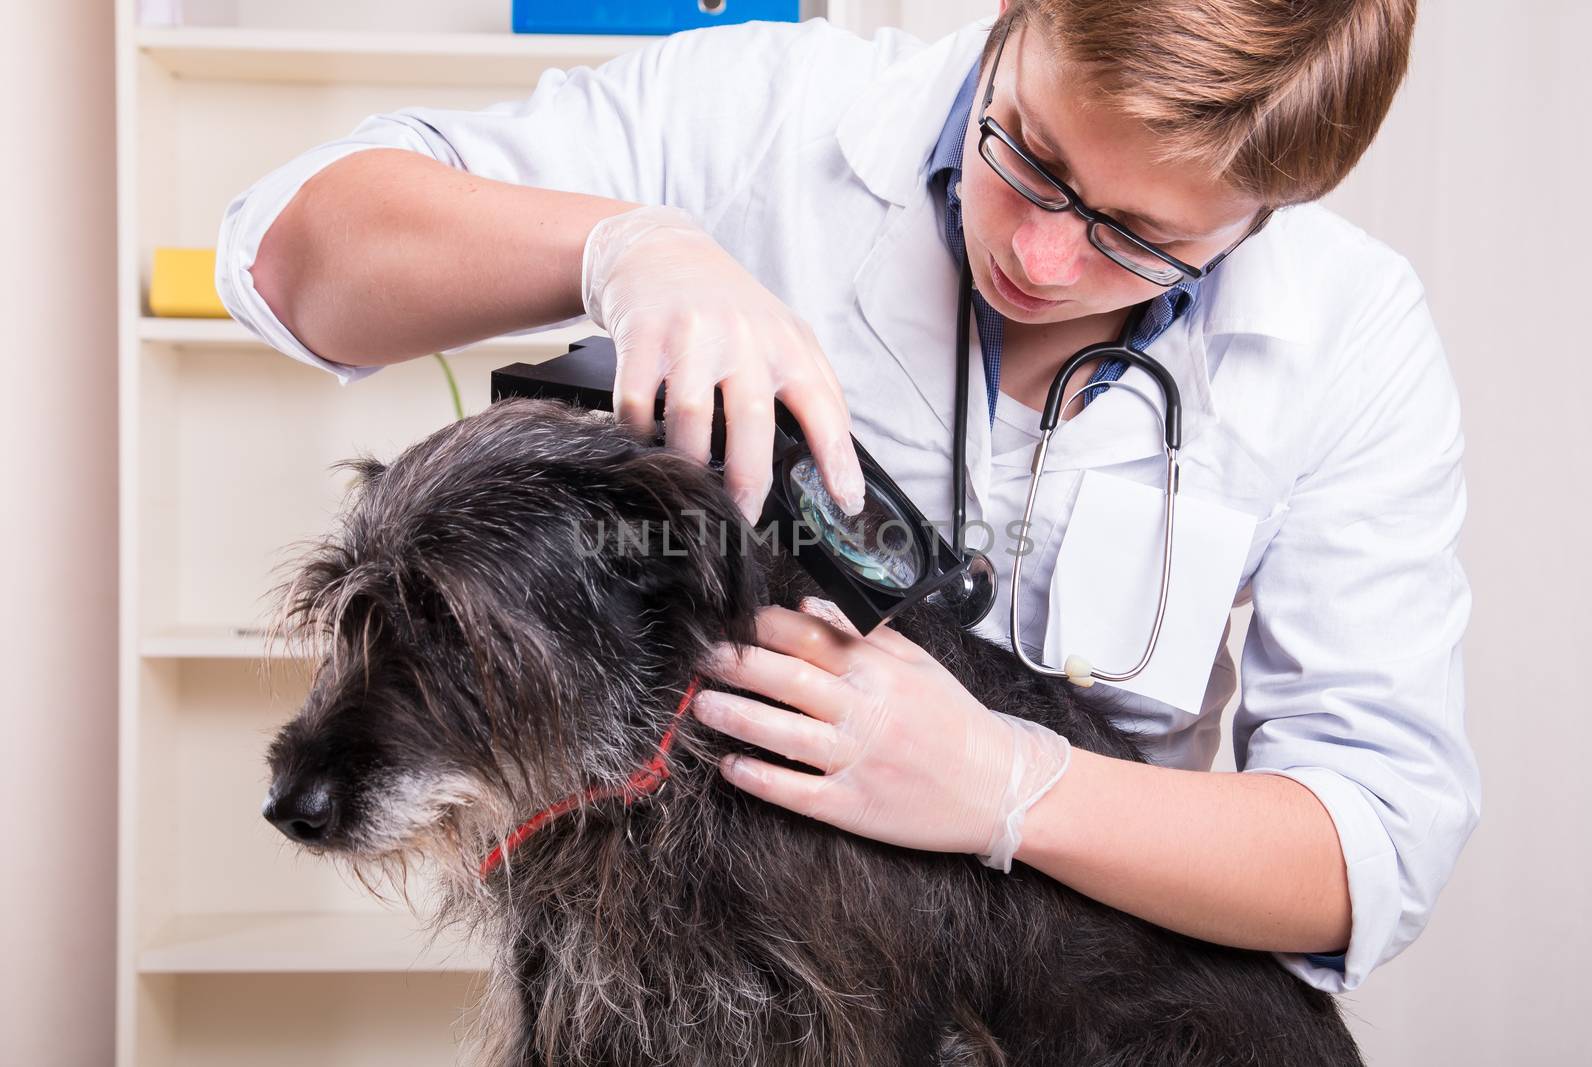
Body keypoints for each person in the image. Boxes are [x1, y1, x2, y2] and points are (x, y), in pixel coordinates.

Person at [217, 0, 1478, 995]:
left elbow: (1366, 849)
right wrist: (626, 245)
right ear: (1011, 14)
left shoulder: (1349, 339)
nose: (1040, 259)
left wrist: (1011, 786)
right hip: (691, 961)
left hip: (1075, 1003)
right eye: (1029, 155)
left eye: (1139, 237)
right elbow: (293, 256)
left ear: (1265, 216)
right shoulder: (762, 114)